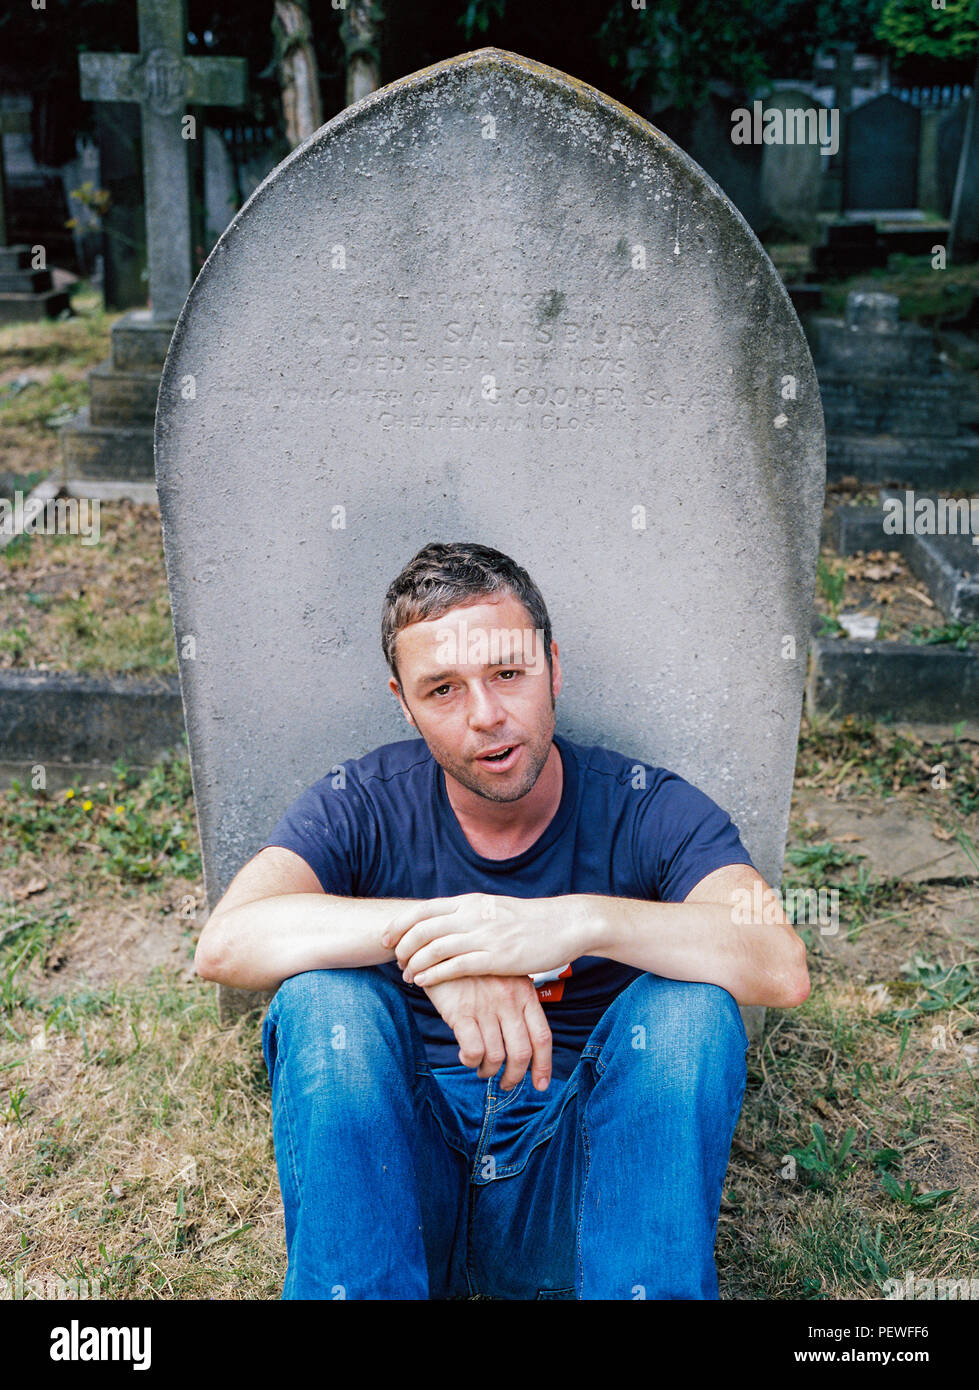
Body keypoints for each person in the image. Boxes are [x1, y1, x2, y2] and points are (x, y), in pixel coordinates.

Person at [195, 541, 809, 1301]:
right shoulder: (361, 798)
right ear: (403, 700)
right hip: (405, 1190)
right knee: (324, 1001)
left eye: (508, 674)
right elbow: (226, 943)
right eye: (443, 690)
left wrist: (576, 922)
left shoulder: (648, 804)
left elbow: (777, 964)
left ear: (553, 666)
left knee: (689, 1012)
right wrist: (448, 942)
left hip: (579, 1186)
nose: (485, 716)